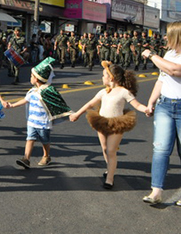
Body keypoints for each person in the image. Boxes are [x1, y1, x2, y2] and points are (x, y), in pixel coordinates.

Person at [70, 61, 147, 189]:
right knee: (105, 149)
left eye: (104, 75)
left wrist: (147, 110)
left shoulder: (124, 92)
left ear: (111, 77)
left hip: (116, 124)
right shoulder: (103, 92)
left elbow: (137, 105)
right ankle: (109, 168)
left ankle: (110, 179)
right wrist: (77, 114)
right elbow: (89, 104)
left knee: (111, 150)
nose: (102, 78)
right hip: (101, 122)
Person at [141, 21, 181, 205]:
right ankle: (156, 191)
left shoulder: (164, 57)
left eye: (168, 34)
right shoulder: (169, 54)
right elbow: (162, 79)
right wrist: (151, 102)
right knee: (160, 149)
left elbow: (174, 70)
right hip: (165, 105)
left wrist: (151, 55)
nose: (165, 37)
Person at [6, 57, 72, 169]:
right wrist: (12, 105)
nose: (30, 78)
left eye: (31, 76)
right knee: (29, 138)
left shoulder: (47, 91)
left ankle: (46, 156)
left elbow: (59, 104)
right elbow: (25, 100)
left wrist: (69, 115)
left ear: (36, 79)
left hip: (43, 122)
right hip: (32, 121)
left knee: (45, 141)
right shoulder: (32, 91)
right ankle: (26, 159)